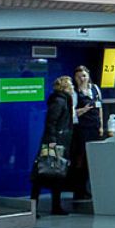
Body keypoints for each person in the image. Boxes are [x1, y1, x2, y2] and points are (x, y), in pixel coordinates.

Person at [31, 75, 74, 216]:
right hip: (53, 143)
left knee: (56, 173)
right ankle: (35, 206)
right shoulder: (59, 101)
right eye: (70, 85)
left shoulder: (63, 100)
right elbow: (51, 122)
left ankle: (55, 206)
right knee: (43, 172)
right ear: (65, 87)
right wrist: (52, 143)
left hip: (56, 141)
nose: (72, 87)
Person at [69, 66, 103, 200]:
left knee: (93, 160)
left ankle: (89, 188)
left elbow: (100, 107)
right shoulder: (74, 93)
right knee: (81, 160)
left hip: (94, 128)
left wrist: (101, 126)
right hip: (82, 129)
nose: (81, 79)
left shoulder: (95, 89)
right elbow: (72, 113)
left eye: (84, 75)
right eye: (78, 77)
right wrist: (84, 109)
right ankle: (79, 190)